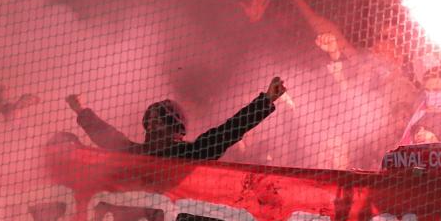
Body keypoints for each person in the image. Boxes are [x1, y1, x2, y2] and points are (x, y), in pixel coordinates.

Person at [64, 77, 286, 162]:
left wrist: (265, 102)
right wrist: (81, 111)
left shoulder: (194, 154)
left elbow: (228, 131)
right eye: (150, 123)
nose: (152, 127)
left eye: (157, 122)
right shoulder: (135, 154)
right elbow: (109, 138)